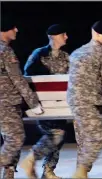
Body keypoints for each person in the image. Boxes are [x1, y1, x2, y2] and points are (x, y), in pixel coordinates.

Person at [66, 20, 102, 178]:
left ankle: (81, 174)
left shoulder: (76, 52)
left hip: (74, 100)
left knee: (84, 140)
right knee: (97, 136)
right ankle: (80, 172)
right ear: (97, 34)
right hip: (87, 101)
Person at [20, 24, 69, 179]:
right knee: (56, 134)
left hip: (61, 105)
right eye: (63, 34)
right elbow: (27, 76)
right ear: (54, 37)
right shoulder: (39, 54)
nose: (66, 37)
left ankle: (48, 171)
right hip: (43, 104)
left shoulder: (66, 57)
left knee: (59, 138)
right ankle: (32, 158)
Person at [0, 19, 44, 179]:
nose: (16, 30)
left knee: (8, 140)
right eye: (13, 27)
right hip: (7, 102)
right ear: (4, 30)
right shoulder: (5, 51)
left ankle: (8, 175)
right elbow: (17, 79)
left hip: (5, 103)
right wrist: (33, 103)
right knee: (16, 138)